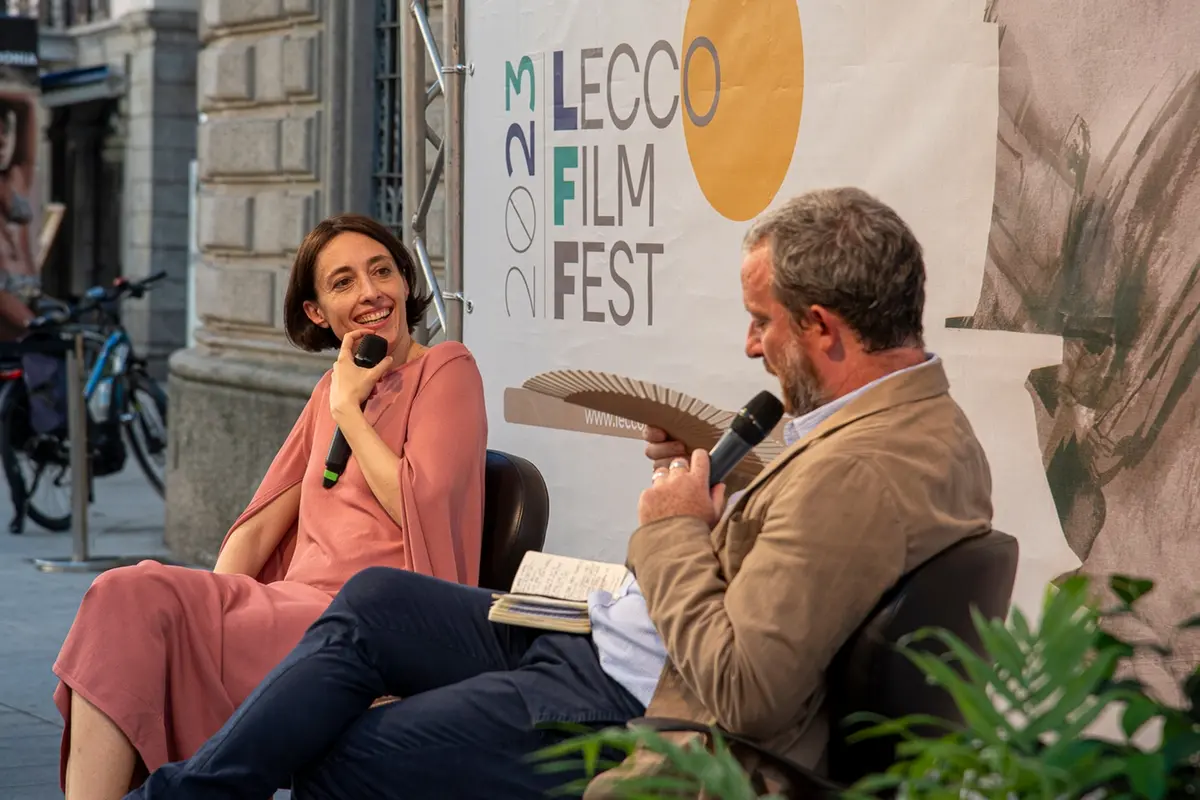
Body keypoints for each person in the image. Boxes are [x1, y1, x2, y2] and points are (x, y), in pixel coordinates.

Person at [122, 187, 994, 799]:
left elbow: (746, 688)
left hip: (634, 699)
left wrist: (675, 530)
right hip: (601, 634)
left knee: (337, 756)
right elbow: (811, 549)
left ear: (824, 329)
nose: (750, 347)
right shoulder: (902, 421)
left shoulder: (864, 470)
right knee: (374, 601)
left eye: (763, 323)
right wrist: (732, 483)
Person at [52, 213, 488, 800]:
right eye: (343, 282)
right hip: (292, 611)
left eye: (381, 270)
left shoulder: (445, 368)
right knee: (123, 596)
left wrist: (349, 415)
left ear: (406, 282)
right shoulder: (330, 391)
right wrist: (206, 620)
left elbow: (420, 504)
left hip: (376, 622)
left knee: (131, 603)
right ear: (317, 312)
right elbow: (256, 532)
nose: (370, 292)